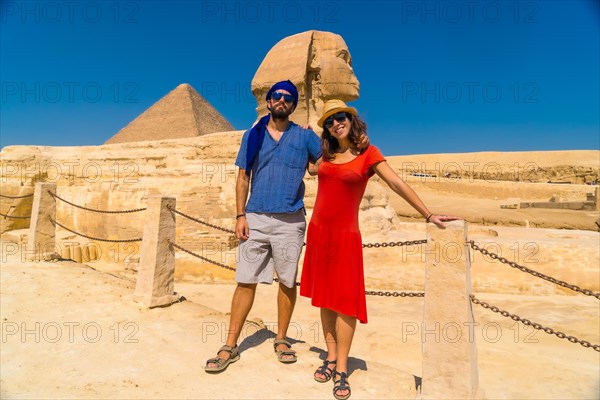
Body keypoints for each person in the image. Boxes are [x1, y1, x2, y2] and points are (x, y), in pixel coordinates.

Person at [300, 99, 461, 399]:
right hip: (320, 234)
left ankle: (342, 369)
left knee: (346, 303)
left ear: (351, 119)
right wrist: (306, 132)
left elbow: (397, 184)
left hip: (346, 236)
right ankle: (330, 356)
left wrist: (428, 214)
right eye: (330, 120)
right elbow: (311, 170)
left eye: (341, 117)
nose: (337, 123)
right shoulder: (326, 154)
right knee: (325, 298)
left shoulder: (368, 155)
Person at [204, 82, 368, 373]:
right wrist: (240, 215)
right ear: (267, 101)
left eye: (288, 98)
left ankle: (281, 339)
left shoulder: (304, 136)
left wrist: (356, 142)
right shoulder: (252, 136)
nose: (282, 100)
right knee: (245, 280)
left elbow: (328, 162)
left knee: (288, 281)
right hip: (256, 217)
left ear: (294, 105)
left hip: (290, 221)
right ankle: (230, 344)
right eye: (277, 96)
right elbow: (243, 177)